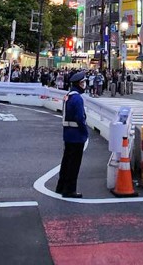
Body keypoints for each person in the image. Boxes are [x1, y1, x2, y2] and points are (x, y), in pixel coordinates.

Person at [56, 70, 89, 199]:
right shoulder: (77, 98)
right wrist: (85, 132)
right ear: (79, 83)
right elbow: (80, 118)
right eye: (83, 82)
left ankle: (61, 186)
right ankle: (69, 190)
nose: (85, 84)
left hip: (67, 134)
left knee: (66, 162)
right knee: (74, 164)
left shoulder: (68, 96)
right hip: (77, 135)